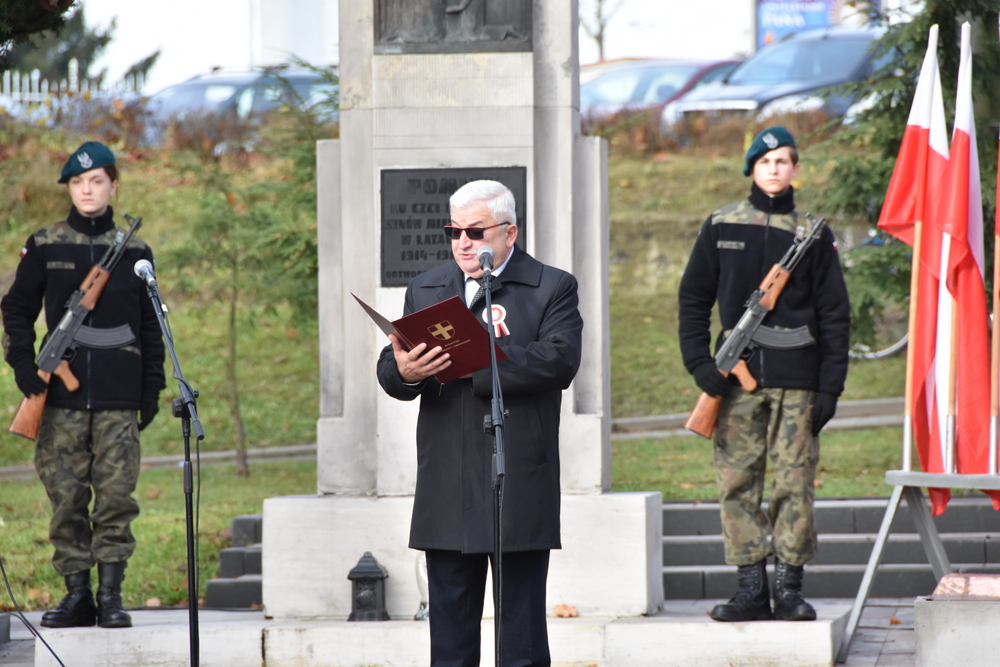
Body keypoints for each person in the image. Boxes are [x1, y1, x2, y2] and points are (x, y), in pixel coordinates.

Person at [377, 179, 583, 666]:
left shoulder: (551, 286)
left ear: (510, 233)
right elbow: (394, 365)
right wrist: (403, 372)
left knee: (522, 640)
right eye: (454, 231)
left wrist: (476, 365)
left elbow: (559, 361)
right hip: (447, 478)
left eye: (475, 231)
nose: (463, 243)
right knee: (449, 637)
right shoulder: (427, 287)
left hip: (516, 474)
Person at [677, 127, 850, 622]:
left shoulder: (813, 232)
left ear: (796, 169)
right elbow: (693, 301)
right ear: (751, 168)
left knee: (795, 483)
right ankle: (751, 589)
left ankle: (789, 590)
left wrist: (830, 387)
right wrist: (700, 365)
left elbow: (836, 315)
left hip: (800, 381)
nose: (774, 169)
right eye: (765, 161)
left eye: (783, 160)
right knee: (737, 482)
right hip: (733, 382)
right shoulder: (721, 224)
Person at [1, 141, 166, 629]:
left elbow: (150, 327)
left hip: (118, 399)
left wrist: (150, 389)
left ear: (114, 185)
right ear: (69, 188)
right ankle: (78, 596)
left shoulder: (135, 251)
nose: (87, 190)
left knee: (117, 499)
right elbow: (15, 309)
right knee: (66, 499)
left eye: (96, 181)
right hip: (59, 404)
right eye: (77, 182)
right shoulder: (46, 243)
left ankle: (111, 596)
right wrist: (23, 366)